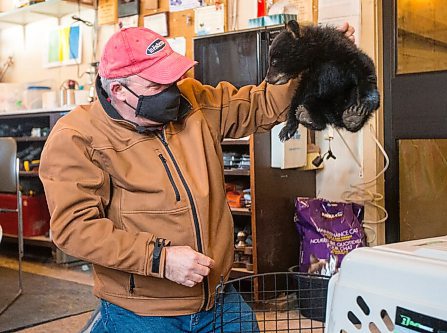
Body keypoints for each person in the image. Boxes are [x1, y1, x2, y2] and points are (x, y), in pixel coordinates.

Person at [39, 23, 355, 333]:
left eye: (173, 79)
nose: (172, 92)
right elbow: (74, 229)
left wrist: (311, 64)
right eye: (156, 86)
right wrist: (160, 259)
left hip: (218, 297)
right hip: (142, 311)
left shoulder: (191, 100)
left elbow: (259, 105)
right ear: (119, 90)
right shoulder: (77, 137)